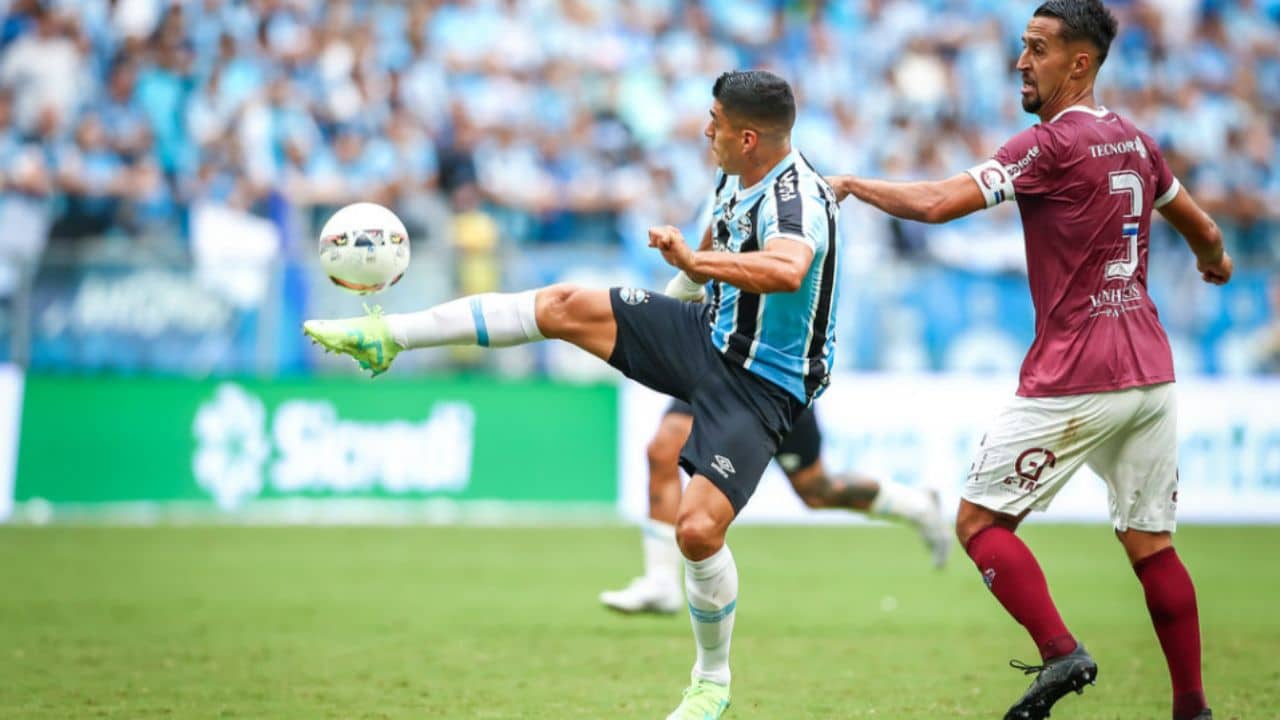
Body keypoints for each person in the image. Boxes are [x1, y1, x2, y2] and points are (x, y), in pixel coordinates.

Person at [304, 70, 840, 720]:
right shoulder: (735, 176)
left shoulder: (797, 198)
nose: (705, 131)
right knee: (564, 303)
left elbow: (786, 269)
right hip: (705, 337)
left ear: (748, 136)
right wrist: (657, 328)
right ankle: (389, 336)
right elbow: (707, 260)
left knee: (697, 533)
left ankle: (712, 681)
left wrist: (694, 267)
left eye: (716, 123)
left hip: (763, 385)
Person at [826, 2, 1230, 719]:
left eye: (1038, 48)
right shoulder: (1136, 141)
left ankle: (1060, 651)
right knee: (1151, 546)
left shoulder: (1046, 145)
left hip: (1078, 373)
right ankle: (1192, 710)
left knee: (979, 525)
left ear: (1080, 63)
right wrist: (1215, 261)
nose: (1021, 60)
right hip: (1151, 369)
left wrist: (856, 185)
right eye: (1022, 46)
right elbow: (1200, 227)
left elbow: (935, 204)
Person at [601, 398, 950, 615]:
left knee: (816, 490)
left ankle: (917, 505)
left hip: (773, 373)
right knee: (662, 448)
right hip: (710, 358)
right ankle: (661, 581)